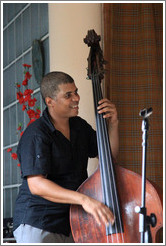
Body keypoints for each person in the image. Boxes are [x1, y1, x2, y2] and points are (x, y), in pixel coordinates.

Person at [13, 71, 119, 243]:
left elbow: (108, 158)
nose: (76, 98)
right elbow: (37, 185)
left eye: (75, 92)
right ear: (50, 102)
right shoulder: (36, 134)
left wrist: (113, 124)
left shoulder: (79, 126)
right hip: (39, 222)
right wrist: (85, 200)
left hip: (71, 221)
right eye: (68, 95)